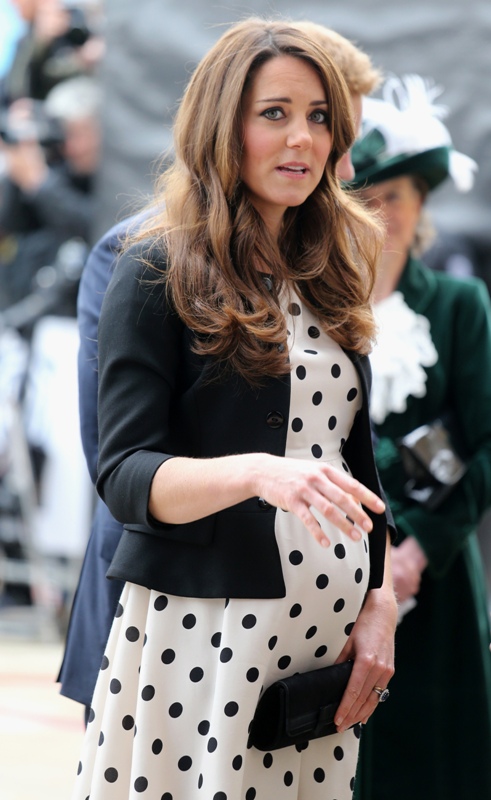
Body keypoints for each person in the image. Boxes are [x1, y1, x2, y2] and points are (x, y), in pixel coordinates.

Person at [71, 17, 397, 800]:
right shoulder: (155, 264)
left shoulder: (330, 267)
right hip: (204, 641)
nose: (301, 138)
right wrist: (257, 473)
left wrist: (378, 598)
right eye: (273, 113)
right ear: (222, 125)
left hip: (321, 650)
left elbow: (353, 460)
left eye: (318, 116)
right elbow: (123, 475)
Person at [350, 75, 491, 800]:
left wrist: (416, 552)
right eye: (368, 197)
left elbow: (485, 441)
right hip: (335, 573)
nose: (385, 212)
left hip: (432, 571)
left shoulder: (460, 305)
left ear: (421, 204)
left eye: (398, 195)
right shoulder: (316, 309)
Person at [0, 74, 101, 315]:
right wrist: (19, 159)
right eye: (65, 134)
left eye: (79, 134)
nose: (71, 147)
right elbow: (12, 223)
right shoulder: (60, 167)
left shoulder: (119, 176)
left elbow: (94, 227)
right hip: (31, 306)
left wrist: (41, 183)